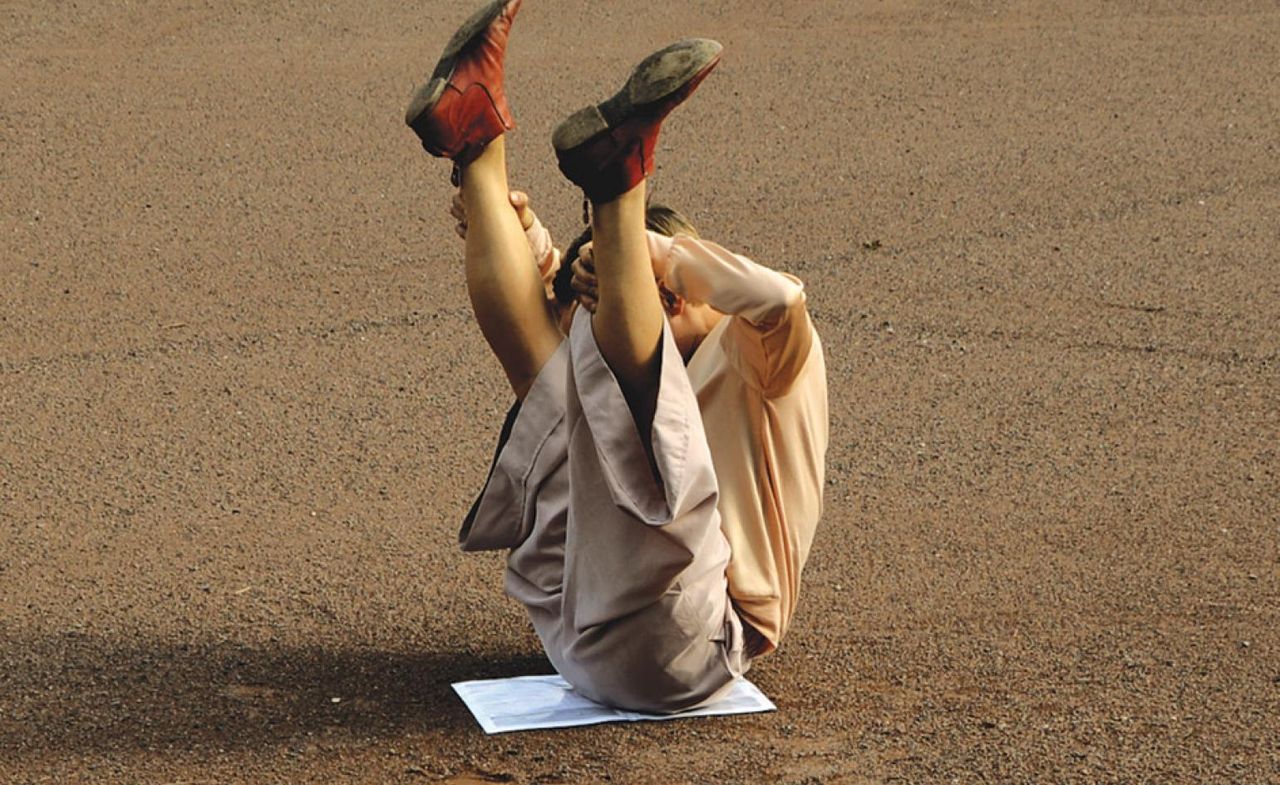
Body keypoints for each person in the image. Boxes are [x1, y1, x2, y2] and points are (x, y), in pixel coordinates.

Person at [404, 0, 828, 712]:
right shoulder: (618, 340)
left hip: (693, 640)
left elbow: (780, 298)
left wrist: (664, 256)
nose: (660, 309)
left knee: (635, 413)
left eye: (669, 291)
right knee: (572, 383)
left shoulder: (761, 355)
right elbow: (556, 317)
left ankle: (615, 184)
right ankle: (479, 138)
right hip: (579, 621)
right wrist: (507, 225)